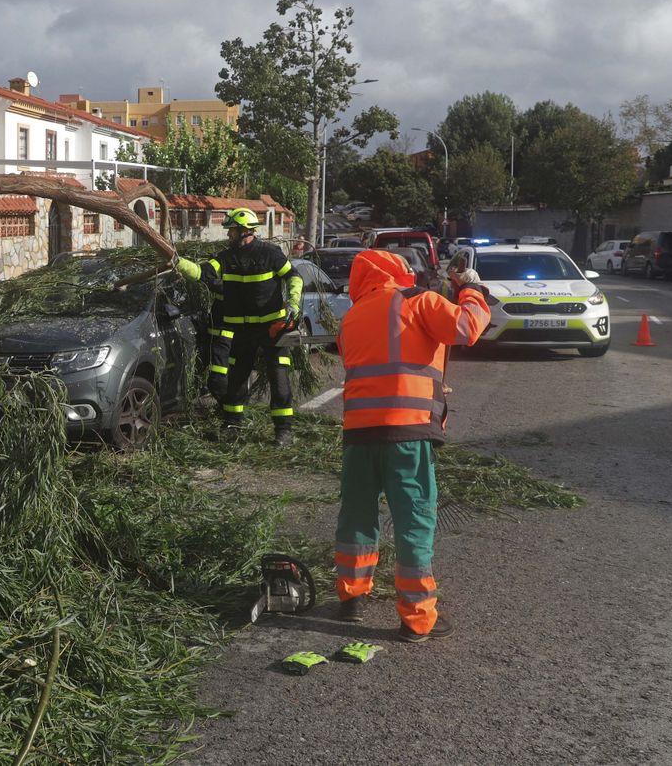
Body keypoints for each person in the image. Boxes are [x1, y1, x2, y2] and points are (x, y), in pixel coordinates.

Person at [332, 249, 491, 642]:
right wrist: (471, 289)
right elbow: (466, 328)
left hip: (358, 433)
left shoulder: (351, 317)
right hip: (408, 432)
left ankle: (351, 597)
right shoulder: (417, 300)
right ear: (400, 272)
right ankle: (418, 618)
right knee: (413, 521)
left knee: (356, 516)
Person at [173, 208, 303, 445]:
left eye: (232, 230)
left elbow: (293, 276)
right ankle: (233, 426)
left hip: (271, 329)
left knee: (279, 377)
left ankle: (283, 431)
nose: (229, 235)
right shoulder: (225, 258)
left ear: (245, 232)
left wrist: (293, 302)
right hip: (242, 333)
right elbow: (201, 272)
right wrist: (178, 262)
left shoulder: (270, 254)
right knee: (236, 380)